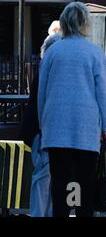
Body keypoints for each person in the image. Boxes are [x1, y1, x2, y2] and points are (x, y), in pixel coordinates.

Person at [38, 2, 106, 217]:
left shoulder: (53, 52)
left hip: (56, 128)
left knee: (60, 184)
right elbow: (104, 93)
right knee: (84, 184)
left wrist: (43, 124)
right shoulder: (95, 53)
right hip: (86, 128)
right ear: (85, 23)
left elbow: (42, 92)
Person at [20, 33, 61, 217]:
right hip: (45, 133)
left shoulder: (44, 68)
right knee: (46, 179)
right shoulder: (51, 70)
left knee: (44, 178)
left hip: (39, 132)